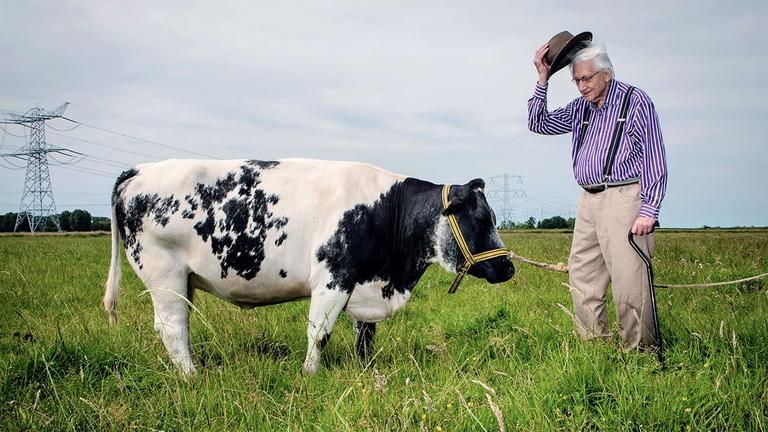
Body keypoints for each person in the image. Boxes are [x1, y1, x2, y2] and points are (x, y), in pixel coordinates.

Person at [527, 31, 668, 350]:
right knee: (582, 280)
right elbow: (539, 123)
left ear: (606, 73)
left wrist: (649, 209)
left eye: (587, 78)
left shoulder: (635, 101)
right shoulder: (580, 108)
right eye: (576, 80)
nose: (582, 86)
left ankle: (640, 355)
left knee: (630, 284)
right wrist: (542, 79)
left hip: (624, 198)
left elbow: (654, 157)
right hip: (587, 203)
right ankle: (597, 350)